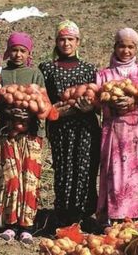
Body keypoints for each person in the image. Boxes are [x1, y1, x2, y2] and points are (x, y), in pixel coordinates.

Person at [39, 20, 101, 230]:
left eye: (70, 39)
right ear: (56, 42)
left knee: (85, 170)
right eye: (62, 39)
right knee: (63, 169)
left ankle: (85, 215)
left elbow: (98, 100)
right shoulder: (47, 68)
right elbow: (41, 100)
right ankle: (64, 215)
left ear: (78, 42)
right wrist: (60, 109)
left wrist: (88, 107)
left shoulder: (89, 69)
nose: (66, 43)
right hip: (60, 129)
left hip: (86, 129)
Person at [96, 28, 138, 223]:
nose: (126, 51)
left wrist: (137, 99)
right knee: (116, 172)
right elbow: (98, 103)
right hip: (115, 131)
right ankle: (115, 217)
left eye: (131, 47)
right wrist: (111, 103)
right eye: (122, 46)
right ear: (115, 46)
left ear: (136, 48)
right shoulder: (104, 74)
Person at [0, 32, 45, 243]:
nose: (18, 54)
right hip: (7, 133)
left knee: (29, 179)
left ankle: (28, 226)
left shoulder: (35, 74)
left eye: (22, 50)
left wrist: (28, 115)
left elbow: (42, 104)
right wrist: (7, 111)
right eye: (14, 50)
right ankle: (10, 224)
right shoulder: (1, 74)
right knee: (10, 178)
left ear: (29, 52)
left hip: (31, 134)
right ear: (8, 51)